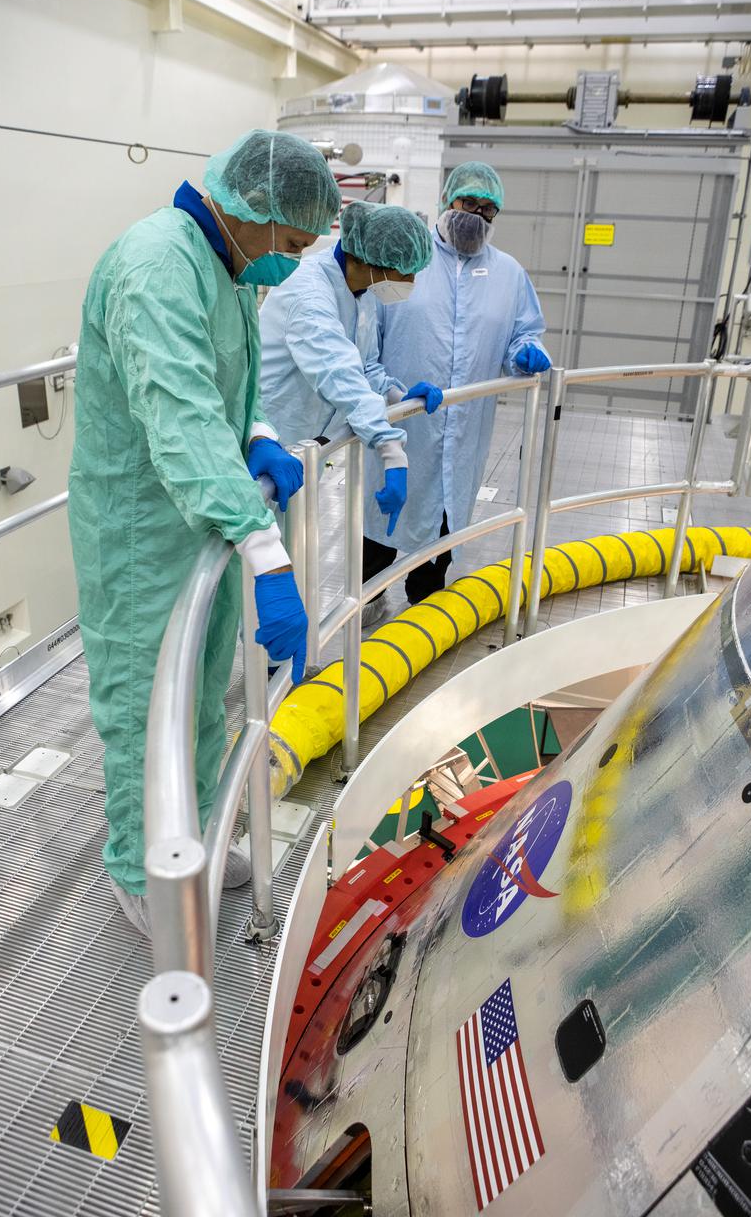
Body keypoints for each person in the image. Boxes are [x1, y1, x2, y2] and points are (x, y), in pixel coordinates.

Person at [68, 129, 340, 936]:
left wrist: (255, 430)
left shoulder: (222, 265)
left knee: (197, 701)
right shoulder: (158, 266)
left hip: (196, 520)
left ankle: (189, 839)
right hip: (140, 530)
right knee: (143, 706)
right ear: (253, 208)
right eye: (290, 243)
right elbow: (180, 415)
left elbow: (224, 382)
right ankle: (137, 866)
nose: (289, 261)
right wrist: (265, 550)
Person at [361, 161, 551, 625]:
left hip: (464, 434)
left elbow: (524, 331)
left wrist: (526, 350)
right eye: (470, 203)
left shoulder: (508, 274)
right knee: (379, 534)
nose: (478, 216)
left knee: (442, 536)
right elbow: (368, 337)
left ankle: (423, 617)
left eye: (489, 210)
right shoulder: (406, 259)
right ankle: (364, 609)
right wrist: (384, 391)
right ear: (448, 201)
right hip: (400, 424)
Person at [259, 200, 438, 541]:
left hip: (303, 448)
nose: (411, 280)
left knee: (291, 548)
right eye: (405, 270)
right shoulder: (309, 294)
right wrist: (391, 449)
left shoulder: (361, 292)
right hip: (268, 447)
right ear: (371, 260)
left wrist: (396, 393)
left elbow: (365, 363)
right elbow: (340, 375)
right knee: (255, 561)